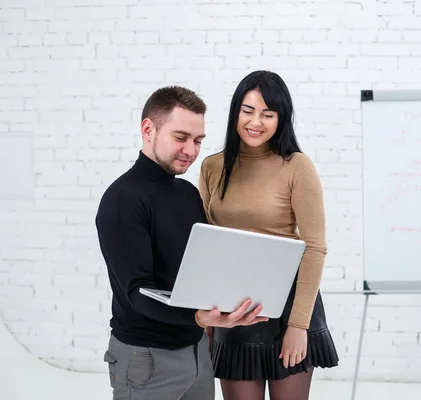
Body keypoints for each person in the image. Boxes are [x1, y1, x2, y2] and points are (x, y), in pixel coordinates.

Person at [95, 85, 268, 400]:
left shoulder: (188, 194)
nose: (191, 150)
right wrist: (200, 317)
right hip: (145, 359)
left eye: (198, 140)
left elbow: (201, 271)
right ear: (148, 129)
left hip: (197, 352)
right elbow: (138, 294)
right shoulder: (123, 199)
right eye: (180, 137)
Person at [199, 70, 339, 400]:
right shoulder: (212, 166)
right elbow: (207, 245)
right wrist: (207, 319)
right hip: (233, 308)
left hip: (288, 307)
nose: (256, 122)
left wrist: (298, 325)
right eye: (248, 110)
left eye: (268, 113)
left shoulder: (296, 166)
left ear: (281, 118)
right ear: (235, 111)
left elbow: (315, 247)